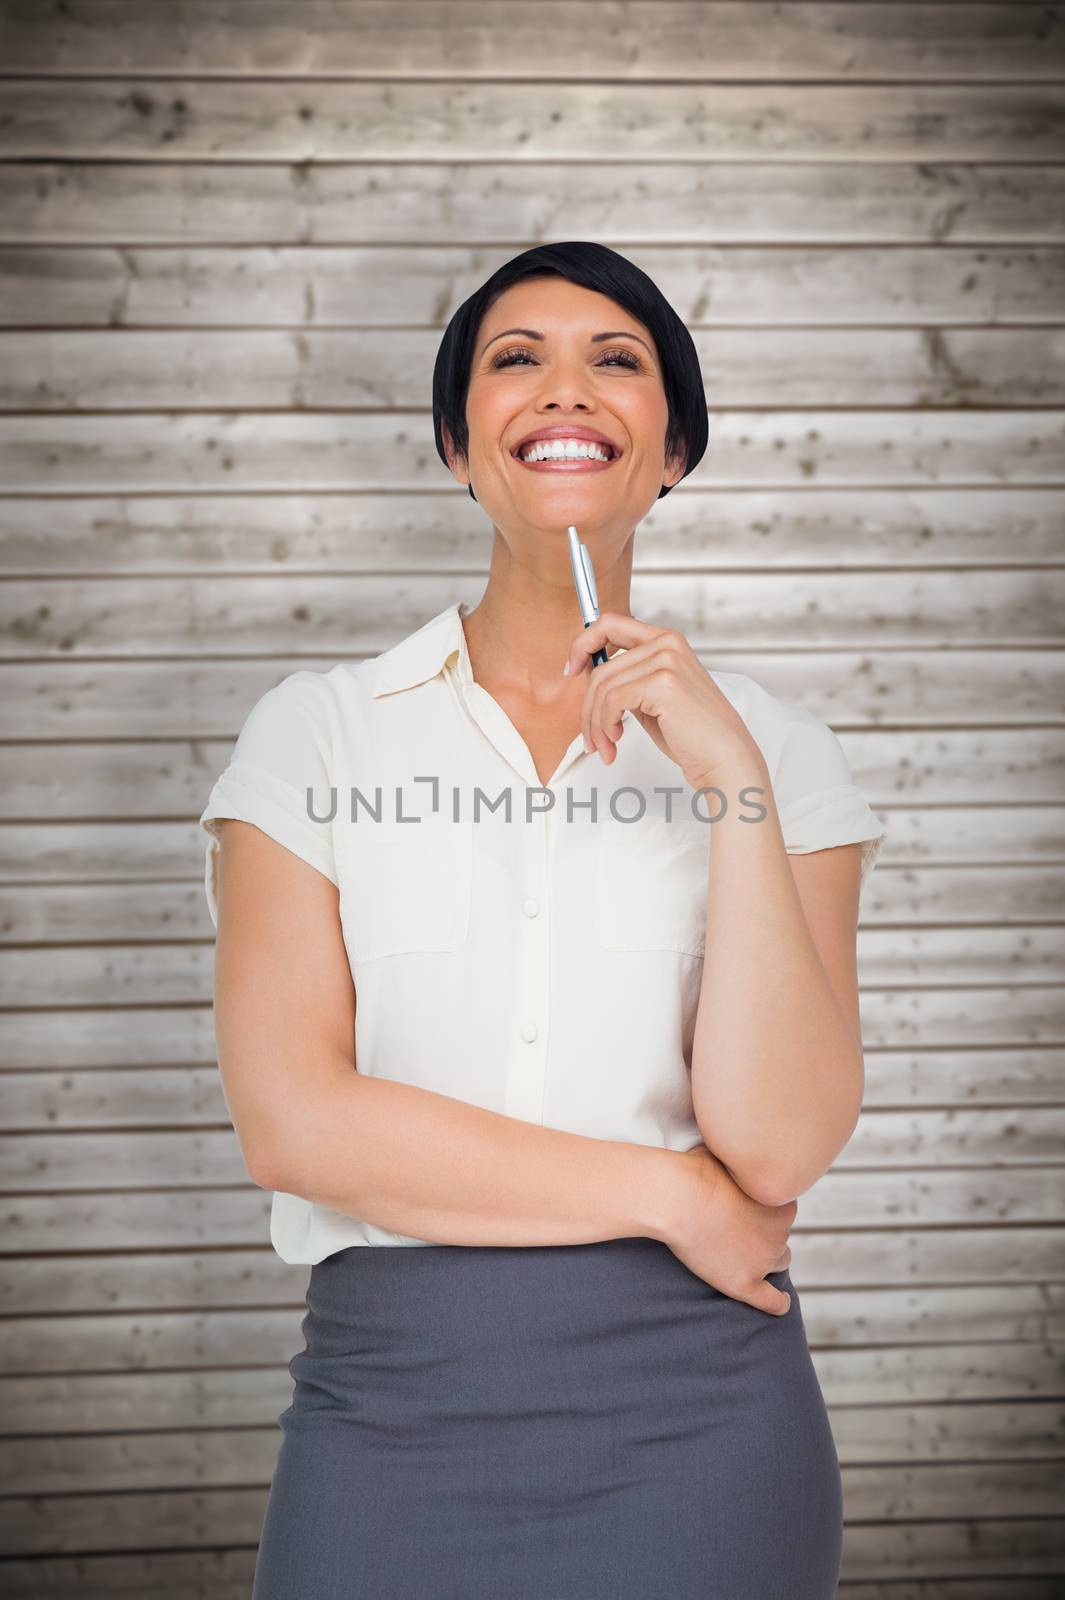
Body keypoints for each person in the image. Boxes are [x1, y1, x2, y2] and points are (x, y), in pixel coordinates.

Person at [200, 241, 886, 1599]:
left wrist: (731, 785)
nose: (563, 391)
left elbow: (782, 1139)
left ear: (671, 448)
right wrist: (669, 1192)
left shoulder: (779, 752)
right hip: (385, 1407)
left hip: (706, 1418)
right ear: (459, 447)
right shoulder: (315, 733)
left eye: (613, 362)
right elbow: (295, 1127)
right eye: (516, 361)